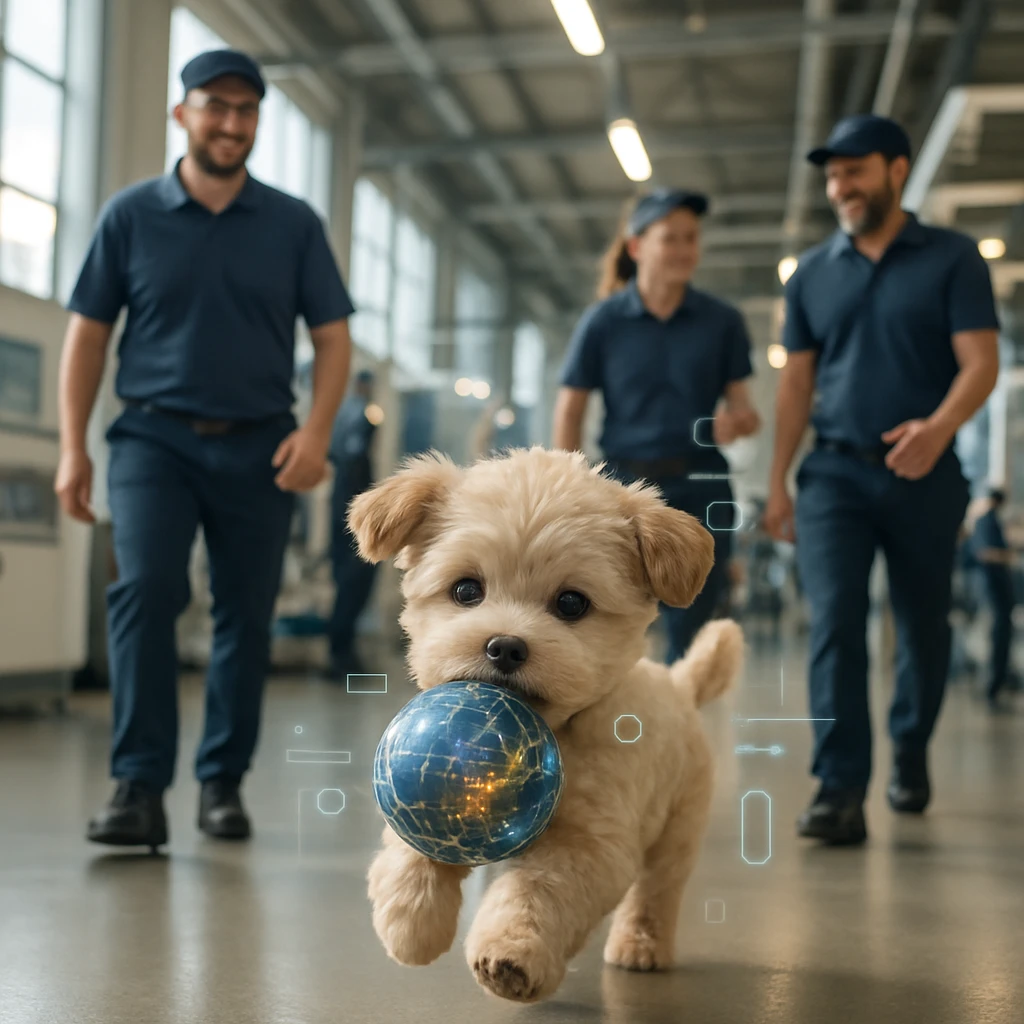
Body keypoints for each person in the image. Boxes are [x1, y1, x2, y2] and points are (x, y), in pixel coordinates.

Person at [54, 49, 355, 849]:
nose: (230, 122)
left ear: (257, 121)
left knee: (244, 618)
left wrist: (317, 432)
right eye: (213, 105)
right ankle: (138, 787)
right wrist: (73, 449)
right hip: (152, 437)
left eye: (245, 110)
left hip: (261, 448)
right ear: (181, 114)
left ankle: (222, 783)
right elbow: (87, 338)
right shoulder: (130, 215)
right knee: (146, 593)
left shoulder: (294, 225)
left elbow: (332, 339)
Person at [763, 114, 1001, 845]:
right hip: (834, 472)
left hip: (925, 475)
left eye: (854, 171)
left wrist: (938, 428)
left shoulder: (953, 257)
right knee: (835, 623)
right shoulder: (812, 273)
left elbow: (981, 362)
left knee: (923, 626)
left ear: (896, 171)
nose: (840, 187)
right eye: (832, 175)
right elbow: (797, 385)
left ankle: (910, 746)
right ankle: (839, 787)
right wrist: (778, 482)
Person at [552, 188, 761, 662]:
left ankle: (683, 719)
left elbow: (746, 410)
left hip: (702, 483)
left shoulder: (722, 321)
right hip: (624, 486)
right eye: (671, 238)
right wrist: (570, 485)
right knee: (614, 612)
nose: (685, 250)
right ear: (636, 247)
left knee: (695, 619)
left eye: (691, 238)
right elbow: (570, 410)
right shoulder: (603, 322)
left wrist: (739, 421)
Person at [326, 369, 379, 677]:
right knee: (354, 580)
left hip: (340, 500)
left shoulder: (341, 413)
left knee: (345, 581)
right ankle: (341, 653)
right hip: (352, 497)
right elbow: (355, 454)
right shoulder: (361, 412)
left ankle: (341, 651)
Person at [971, 488, 1017, 710]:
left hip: (999, 591)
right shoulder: (985, 522)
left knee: (1002, 636)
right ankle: (992, 689)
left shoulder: (992, 522)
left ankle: (997, 687)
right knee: (998, 637)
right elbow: (984, 553)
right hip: (993, 589)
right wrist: (1009, 555)